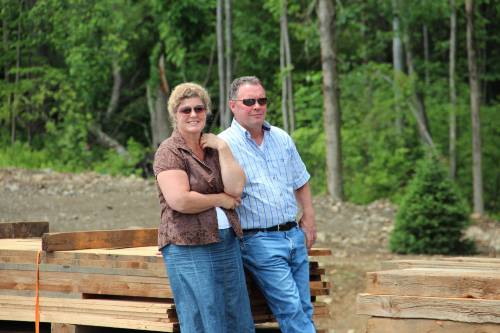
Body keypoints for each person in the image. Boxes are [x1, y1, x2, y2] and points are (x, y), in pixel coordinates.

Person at [153, 82, 255, 333]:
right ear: (174, 115)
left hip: (225, 240)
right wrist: (220, 199)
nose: (193, 114)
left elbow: (236, 189)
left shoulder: (213, 147)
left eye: (199, 108)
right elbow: (180, 200)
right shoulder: (169, 151)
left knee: (236, 314)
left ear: (207, 112)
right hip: (188, 244)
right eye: (185, 110)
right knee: (203, 315)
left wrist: (223, 148)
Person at [219, 76, 318, 333]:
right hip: (258, 240)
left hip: (294, 235)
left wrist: (309, 216)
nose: (257, 106)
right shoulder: (224, 144)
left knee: (304, 308)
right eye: (249, 101)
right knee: (291, 309)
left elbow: (301, 180)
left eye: (261, 100)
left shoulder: (281, 138)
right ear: (233, 106)